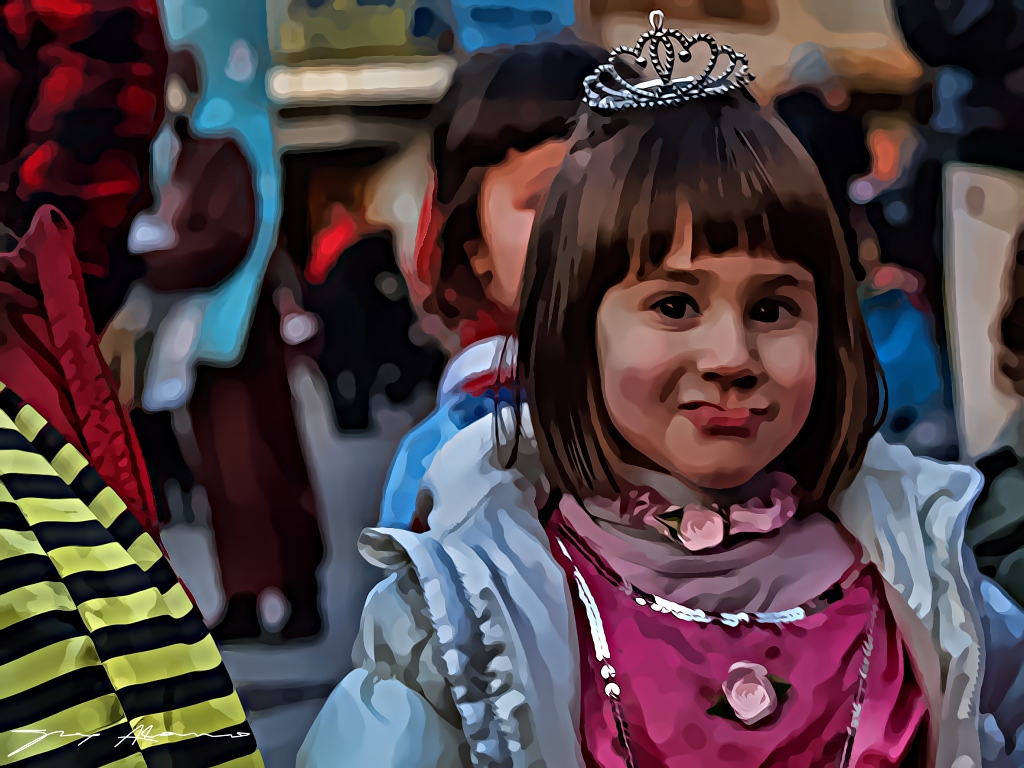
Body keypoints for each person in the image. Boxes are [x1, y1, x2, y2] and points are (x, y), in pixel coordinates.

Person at [299, 15, 1024, 768]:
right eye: (674, 305)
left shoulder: (928, 577)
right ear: (575, 331)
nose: (731, 357)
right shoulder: (474, 604)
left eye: (773, 308)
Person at [378, 34, 602, 529]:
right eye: (544, 200)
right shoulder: (450, 453)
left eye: (615, 195)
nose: (585, 227)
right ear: (474, 252)